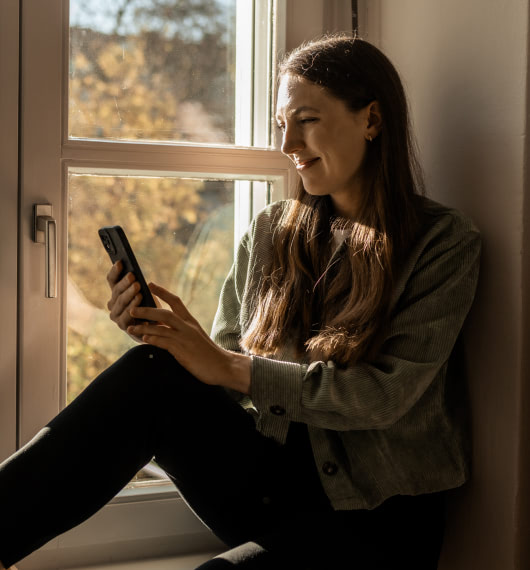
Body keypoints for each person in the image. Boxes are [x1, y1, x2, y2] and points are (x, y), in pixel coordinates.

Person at [0, 34, 480, 569]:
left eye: (307, 120)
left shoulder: (443, 243)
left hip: (379, 521)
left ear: (371, 119)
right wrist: (184, 343)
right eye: (282, 125)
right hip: (276, 488)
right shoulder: (272, 233)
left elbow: (383, 397)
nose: (288, 145)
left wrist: (227, 364)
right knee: (152, 369)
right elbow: (228, 378)